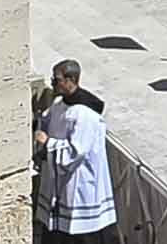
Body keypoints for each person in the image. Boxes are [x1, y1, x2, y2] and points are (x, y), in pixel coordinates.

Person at [34, 63, 119, 244]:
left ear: (71, 80)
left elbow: (76, 152)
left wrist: (48, 143)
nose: (52, 83)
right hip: (61, 186)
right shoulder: (59, 104)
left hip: (80, 187)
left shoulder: (85, 114)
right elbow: (47, 120)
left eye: (56, 80)